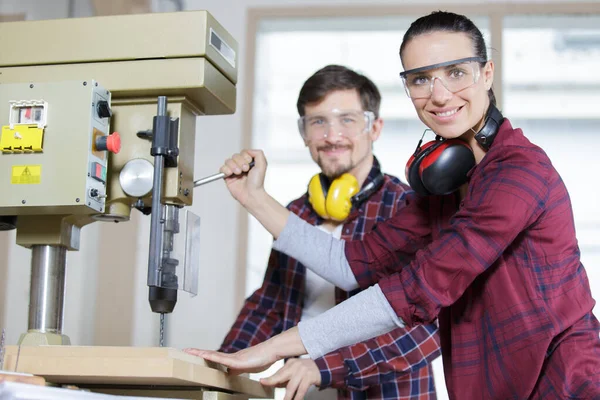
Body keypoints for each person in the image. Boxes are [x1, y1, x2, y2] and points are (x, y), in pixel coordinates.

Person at [186, 11, 600, 400]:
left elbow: (420, 288)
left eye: (456, 72)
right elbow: (353, 262)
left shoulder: (518, 171)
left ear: (486, 73)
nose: (439, 95)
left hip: (565, 385)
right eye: (421, 79)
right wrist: (253, 197)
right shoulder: (445, 189)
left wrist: (278, 349)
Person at [217, 64, 441, 400]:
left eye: (347, 120)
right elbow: (271, 303)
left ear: (375, 127)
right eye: (318, 122)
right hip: (305, 391)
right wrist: (221, 367)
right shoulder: (294, 214)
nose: (332, 136)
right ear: (304, 133)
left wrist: (327, 366)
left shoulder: (409, 207)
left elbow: (426, 329)